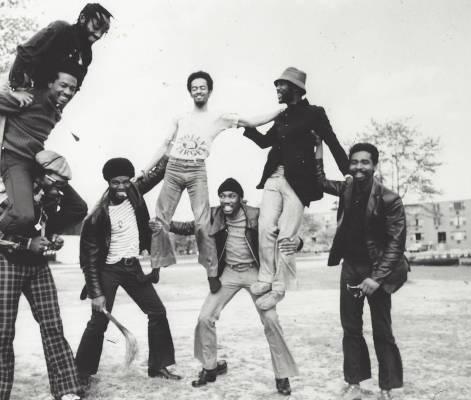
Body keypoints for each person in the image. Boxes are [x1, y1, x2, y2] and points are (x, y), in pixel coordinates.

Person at [150, 178, 303, 395]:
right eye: (222, 196)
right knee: (205, 318)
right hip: (228, 273)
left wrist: (298, 242)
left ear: (240, 198)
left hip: (255, 273)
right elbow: (189, 227)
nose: (226, 200)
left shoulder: (256, 215)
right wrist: (164, 224)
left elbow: (282, 231)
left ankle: (282, 375)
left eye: (231, 196)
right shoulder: (213, 215)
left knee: (271, 320)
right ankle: (210, 367)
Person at [136, 70, 288, 283]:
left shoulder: (219, 117)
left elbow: (251, 122)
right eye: (194, 88)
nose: (198, 91)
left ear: (209, 91)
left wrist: (280, 110)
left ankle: (212, 272)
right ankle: (156, 269)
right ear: (190, 92)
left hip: (197, 171)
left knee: (202, 223)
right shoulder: (180, 117)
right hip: (173, 169)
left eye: (202, 88)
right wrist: (144, 170)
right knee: (161, 219)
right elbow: (163, 146)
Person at [0, 3, 112, 218]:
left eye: (103, 32)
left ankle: (11, 190)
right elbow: (25, 52)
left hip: (45, 95)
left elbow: (75, 85)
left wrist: (59, 106)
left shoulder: (86, 54)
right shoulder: (60, 30)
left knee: (24, 143)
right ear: (82, 19)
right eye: (96, 26)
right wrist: (16, 89)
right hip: (20, 84)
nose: (98, 34)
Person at [0, 150, 87, 400]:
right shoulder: (12, 196)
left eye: (63, 185)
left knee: (53, 325)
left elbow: (53, 225)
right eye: (57, 183)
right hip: (6, 262)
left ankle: (67, 390)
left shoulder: (47, 204)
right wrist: (27, 244)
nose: (60, 190)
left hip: (36, 265)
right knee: (3, 329)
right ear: (41, 176)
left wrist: (52, 240)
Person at [242, 66, 350, 309]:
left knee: (286, 235)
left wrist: (347, 172)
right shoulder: (282, 115)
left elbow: (332, 142)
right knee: (265, 227)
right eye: (276, 85)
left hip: (298, 183)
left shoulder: (315, 113)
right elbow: (265, 142)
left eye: (281, 84)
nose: (277, 89)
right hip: (273, 176)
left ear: (295, 89)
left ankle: (279, 288)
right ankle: (266, 278)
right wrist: (246, 126)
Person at [314, 135, 408, 400]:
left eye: (365, 162)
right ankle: (354, 384)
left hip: (378, 269)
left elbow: (396, 244)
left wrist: (377, 278)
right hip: (351, 267)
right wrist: (318, 147)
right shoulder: (346, 188)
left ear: (374, 166)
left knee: (382, 330)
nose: (358, 167)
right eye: (354, 162)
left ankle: (388, 388)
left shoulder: (389, 198)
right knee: (351, 329)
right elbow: (319, 181)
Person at [75, 157, 182, 383]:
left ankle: (158, 367)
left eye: (125, 181)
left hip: (132, 267)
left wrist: (173, 152)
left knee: (157, 312)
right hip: (108, 270)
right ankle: (81, 373)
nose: (122, 187)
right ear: (108, 182)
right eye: (115, 182)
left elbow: (158, 173)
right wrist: (96, 293)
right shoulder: (97, 215)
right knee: (99, 322)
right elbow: (89, 261)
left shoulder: (135, 192)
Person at [0, 63, 87, 239]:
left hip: (36, 161)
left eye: (72, 89)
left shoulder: (57, 105)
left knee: (78, 208)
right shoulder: (29, 98)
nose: (68, 92)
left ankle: (41, 234)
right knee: (24, 216)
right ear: (50, 83)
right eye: (63, 85)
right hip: (13, 159)